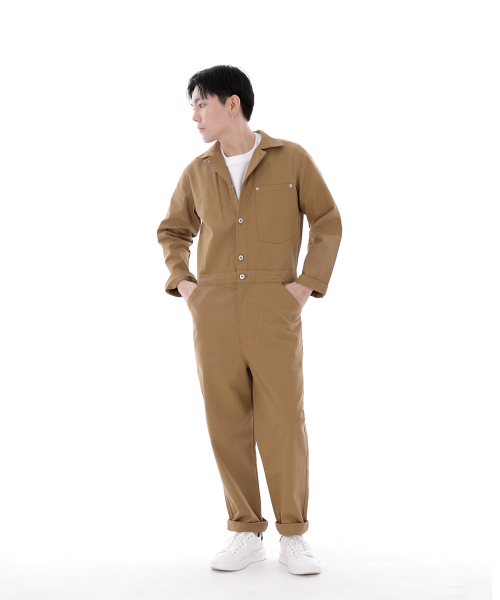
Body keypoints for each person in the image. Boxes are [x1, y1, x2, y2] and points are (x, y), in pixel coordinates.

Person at [156, 65, 342, 575]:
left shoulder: (291, 158)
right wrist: (186, 284)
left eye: (202, 103)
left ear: (232, 103)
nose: (195, 115)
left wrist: (305, 285)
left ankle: (294, 535)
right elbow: (173, 231)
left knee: (283, 421)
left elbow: (326, 220)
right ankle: (245, 531)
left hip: (273, 308)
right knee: (226, 420)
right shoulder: (197, 171)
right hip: (214, 311)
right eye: (193, 106)